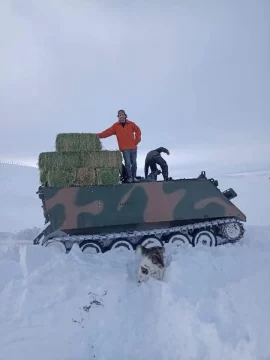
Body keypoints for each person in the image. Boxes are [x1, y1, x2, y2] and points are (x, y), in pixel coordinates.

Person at [97, 110, 141, 183]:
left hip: (133, 147)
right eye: (120, 115)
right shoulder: (116, 126)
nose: (121, 116)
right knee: (127, 163)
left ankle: (134, 177)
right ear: (118, 117)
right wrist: (98, 136)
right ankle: (129, 177)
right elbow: (107, 132)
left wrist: (136, 141)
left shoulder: (131, 124)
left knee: (134, 163)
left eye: (122, 114)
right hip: (125, 149)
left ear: (125, 116)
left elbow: (138, 131)